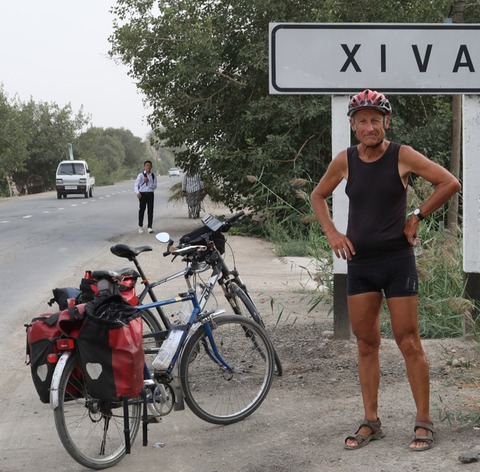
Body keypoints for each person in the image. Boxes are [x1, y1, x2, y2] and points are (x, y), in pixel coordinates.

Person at [310, 89, 461, 452]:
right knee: (365, 344)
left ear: (386, 122)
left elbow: (449, 182)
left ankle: (424, 421)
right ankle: (371, 421)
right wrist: (332, 232)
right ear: (352, 125)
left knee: (409, 341)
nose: (369, 126)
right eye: (362, 120)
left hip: (397, 262)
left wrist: (416, 215)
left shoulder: (402, 155)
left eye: (375, 119)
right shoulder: (345, 160)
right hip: (360, 264)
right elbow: (318, 195)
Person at [134, 160, 157, 233]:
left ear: (151, 167)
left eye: (149, 165)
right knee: (142, 210)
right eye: (147, 165)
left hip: (150, 193)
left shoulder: (153, 176)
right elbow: (136, 185)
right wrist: (137, 192)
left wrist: (149, 182)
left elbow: (155, 186)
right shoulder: (140, 175)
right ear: (144, 167)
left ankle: (150, 227)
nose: (148, 167)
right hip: (142, 194)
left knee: (150, 210)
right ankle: (140, 226)